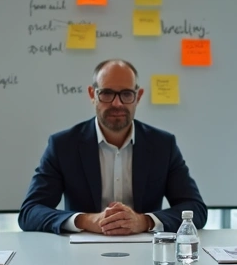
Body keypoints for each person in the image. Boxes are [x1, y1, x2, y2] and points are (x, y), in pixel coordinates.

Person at [18, 59, 207, 234]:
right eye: (107, 93)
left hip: (148, 254)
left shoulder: (163, 145)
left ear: (138, 96)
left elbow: (195, 209)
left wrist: (145, 221)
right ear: (93, 94)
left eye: (126, 94)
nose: (117, 103)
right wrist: (86, 220)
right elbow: (30, 212)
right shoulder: (63, 145)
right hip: (80, 255)